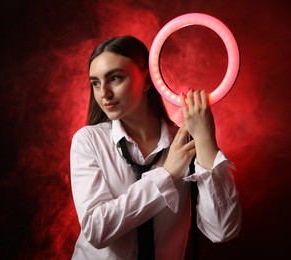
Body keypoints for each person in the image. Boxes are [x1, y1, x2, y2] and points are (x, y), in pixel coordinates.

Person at [70, 35, 241, 260]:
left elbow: (223, 230)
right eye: (95, 82)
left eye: (116, 78)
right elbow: (96, 230)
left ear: (148, 81)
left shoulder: (186, 143)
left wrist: (206, 141)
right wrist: (166, 175)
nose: (104, 93)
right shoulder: (88, 141)